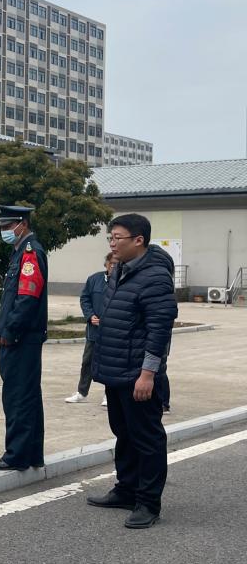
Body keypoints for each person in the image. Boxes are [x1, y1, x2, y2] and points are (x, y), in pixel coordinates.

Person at [87, 214, 176, 529]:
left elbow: (159, 329)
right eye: (110, 238)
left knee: (147, 438)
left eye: (118, 238)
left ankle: (148, 502)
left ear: (139, 240)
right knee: (123, 433)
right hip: (116, 369)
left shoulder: (155, 276)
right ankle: (126, 490)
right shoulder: (120, 269)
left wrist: (148, 374)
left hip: (138, 374)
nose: (112, 244)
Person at [0, 204, 48, 472]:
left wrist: (10, 331)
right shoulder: (21, 252)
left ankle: (17, 455)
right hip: (24, 336)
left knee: (18, 396)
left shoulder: (30, 253)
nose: (4, 231)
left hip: (22, 338)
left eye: (8, 226)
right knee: (27, 395)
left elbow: (27, 297)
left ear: (23, 224)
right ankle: (31, 454)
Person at [65, 252, 114, 406]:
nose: (114, 267)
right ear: (106, 264)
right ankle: (82, 392)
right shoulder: (94, 279)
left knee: (110, 364)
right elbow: (85, 298)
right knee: (87, 362)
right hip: (94, 331)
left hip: (113, 332)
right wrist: (90, 315)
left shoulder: (123, 281)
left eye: (118, 264)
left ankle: (109, 395)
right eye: (112, 264)